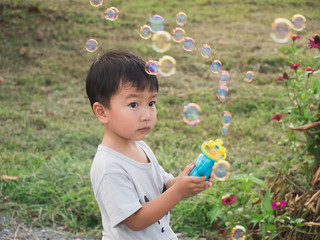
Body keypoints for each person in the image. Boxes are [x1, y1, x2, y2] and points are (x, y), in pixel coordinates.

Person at [86, 49, 213, 240]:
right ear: (102, 112)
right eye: (134, 105)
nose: (146, 116)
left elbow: (163, 187)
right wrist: (179, 192)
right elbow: (136, 221)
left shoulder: (141, 147)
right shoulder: (109, 167)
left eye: (151, 103)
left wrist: (187, 179)